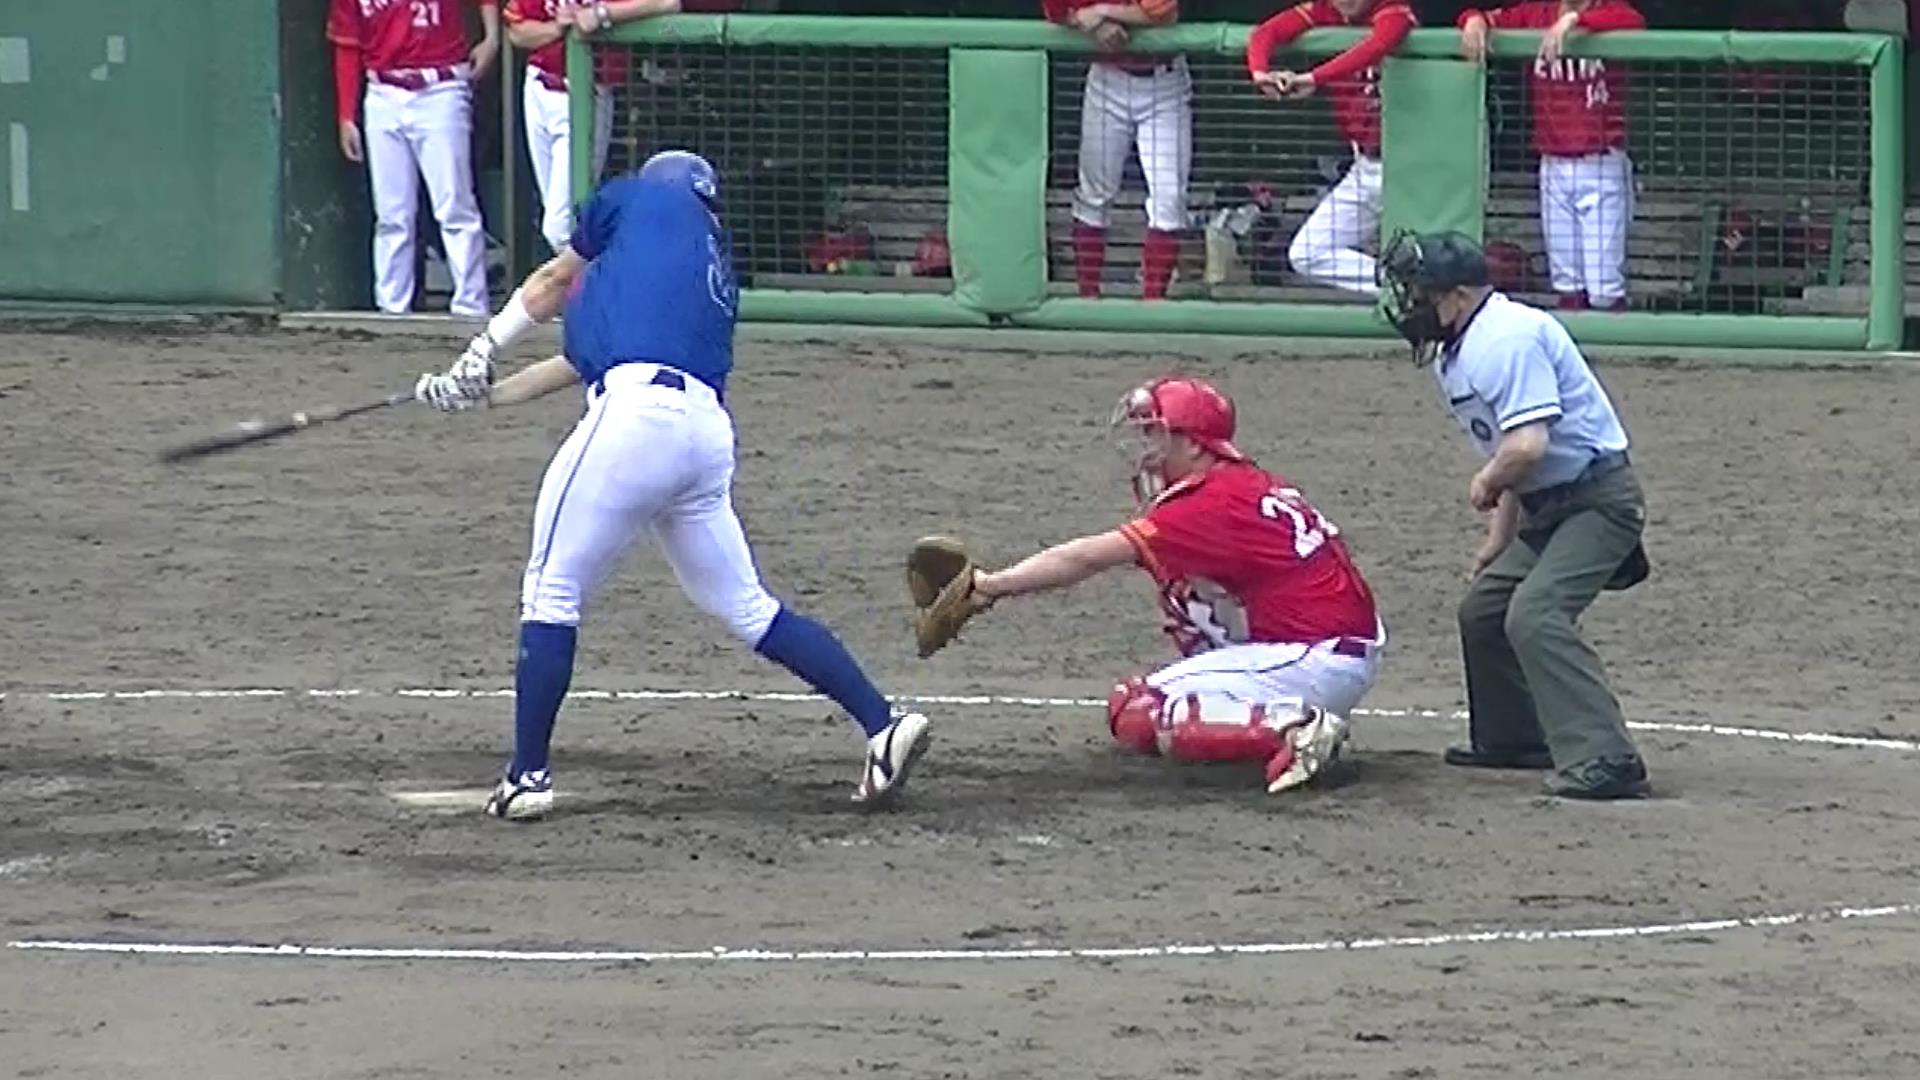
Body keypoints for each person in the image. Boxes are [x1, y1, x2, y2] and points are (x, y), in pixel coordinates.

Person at [412, 150, 933, 820]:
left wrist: (482, 348)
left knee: (550, 590)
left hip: (637, 421)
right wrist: (479, 395)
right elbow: (579, 364)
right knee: (750, 609)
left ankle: (527, 775)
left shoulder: (634, 199)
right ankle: (881, 724)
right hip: (700, 438)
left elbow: (549, 281)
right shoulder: (706, 268)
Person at [950, 376, 1384, 796]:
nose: (1146, 451)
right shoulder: (1242, 483)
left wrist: (991, 586)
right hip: (1324, 649)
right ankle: (1279, 716)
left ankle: (1295, 730)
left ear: (1193, 444)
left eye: (1155, 435)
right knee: (1182, 605)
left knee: (1140, 708)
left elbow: (1082, 559)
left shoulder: (1206, 504)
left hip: (1312, 657)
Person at [1378, 229, 1652, 800]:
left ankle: (1607, 758)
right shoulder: (1460, 348)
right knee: (1485, 610)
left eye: (1421, 293)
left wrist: (1486, 481)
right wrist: (1497, 540)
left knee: (1537, 614)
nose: (1412, 305)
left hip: (1598, 503)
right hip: (1546, 506)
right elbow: (1513, 454)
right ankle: (1516, 737)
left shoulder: (1507, 339)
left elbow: (1527, 447)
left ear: (1457, 295)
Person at [1458, 0, 1645, 311]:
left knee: (1605, 290)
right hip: (1553, 162)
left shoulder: (1610, 9)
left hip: (1601, 161)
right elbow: (1482, 16)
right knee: (1567, 285)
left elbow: (1633, 20)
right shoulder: (1536, 12)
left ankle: (1615, 342)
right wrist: (1475, 20)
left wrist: (1575, 21)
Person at [330, 0, 500, 317]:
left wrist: (492, 37)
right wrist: (346, 115)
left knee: (454, 206)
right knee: (392, 214)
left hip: (441, 87)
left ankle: (471, 307)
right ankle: (392, 308)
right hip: (382, 90)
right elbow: (347, 44)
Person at [1245, 0, 1417, 295]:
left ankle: (1428, 295)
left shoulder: (1392, 9)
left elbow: (1378, 45)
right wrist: (1260, 73)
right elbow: (1265, 32)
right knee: (1308, 253)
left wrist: (1313, 78)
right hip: (1365, 166)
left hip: (1415, 168)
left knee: (1436, 259)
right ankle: (1408, 290)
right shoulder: (1325, 10)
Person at [505, 0, 681, 256]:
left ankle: (610, 277)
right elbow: (517, 32)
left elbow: (668, 3)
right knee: (563, 223)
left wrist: (603, 14)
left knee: (560, 228)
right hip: (538, 88)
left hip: (587, 91)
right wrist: (557, 28)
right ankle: (597, 278)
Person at [1044, 0, 1190, 299]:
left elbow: (1163, 12)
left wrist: (1102, 12)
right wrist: (1089, 24)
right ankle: (1088, 298)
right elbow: (1056, 11)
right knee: (1094, 195)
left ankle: (1153, 303)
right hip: (1107, 79)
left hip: (1164, 83)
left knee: (1169, 198)